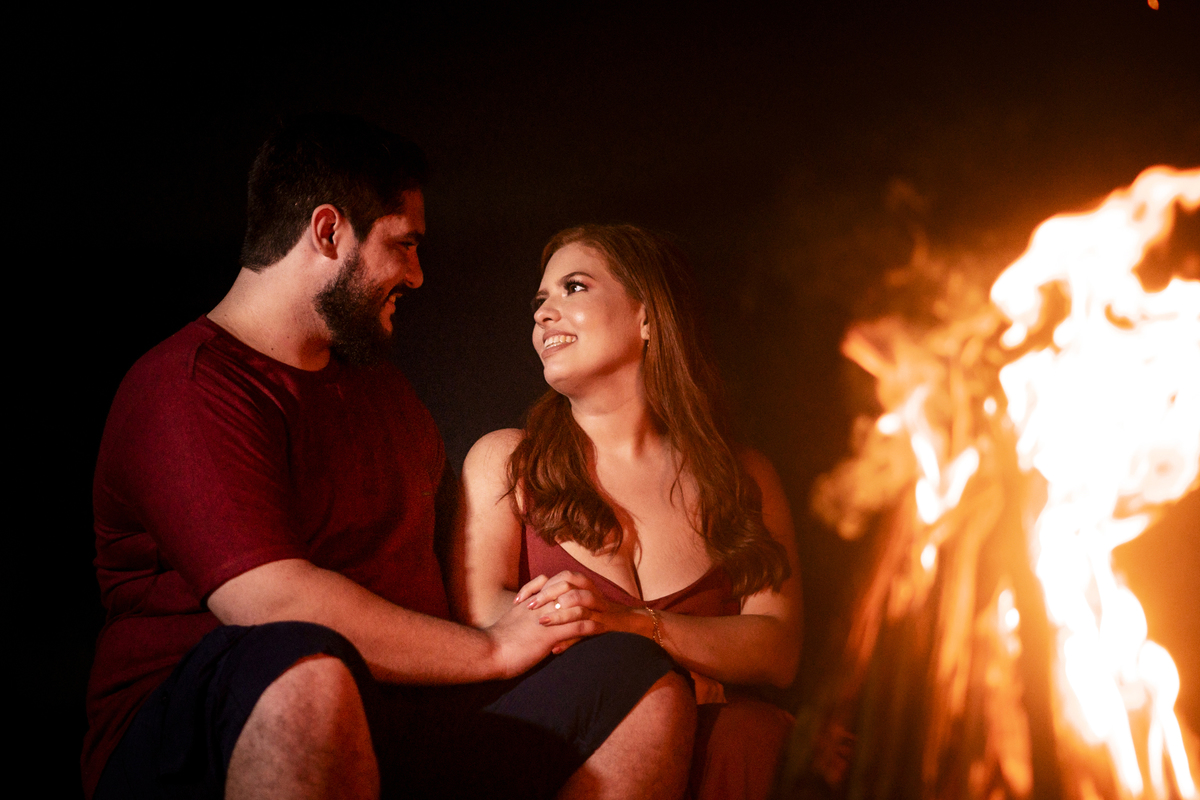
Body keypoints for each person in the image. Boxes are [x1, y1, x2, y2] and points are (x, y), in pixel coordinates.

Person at [84, 115, 696, 800]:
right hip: (203, 726)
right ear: (327, 232)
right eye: (403, 246)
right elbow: (273, 602)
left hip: (399, 712)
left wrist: (548, 620)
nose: (417, 274)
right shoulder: (187, 385)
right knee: (308, 665)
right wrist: (495, 650)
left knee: (640, 679)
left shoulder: (382, 389)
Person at [451, 224, 804, 800]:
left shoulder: (744, 478)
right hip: (565, 750)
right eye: (539, 302)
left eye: (573, 288)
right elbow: (483, 620)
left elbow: (776, 650)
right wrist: (659, 668)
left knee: (758, 730)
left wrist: (638, 625)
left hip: (719, 762)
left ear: (647, 318)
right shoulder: (507, 460)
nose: (543, 314)